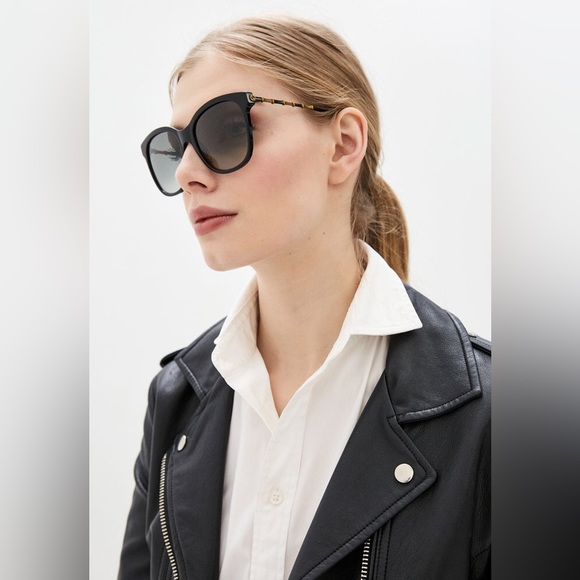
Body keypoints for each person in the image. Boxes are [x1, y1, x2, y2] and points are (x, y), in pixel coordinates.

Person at [118, 14, 490, 580]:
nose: (189, 172)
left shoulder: (486, 415)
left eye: (226, 130)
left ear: (343, 145)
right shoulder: (176, 400)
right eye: (175, 147)